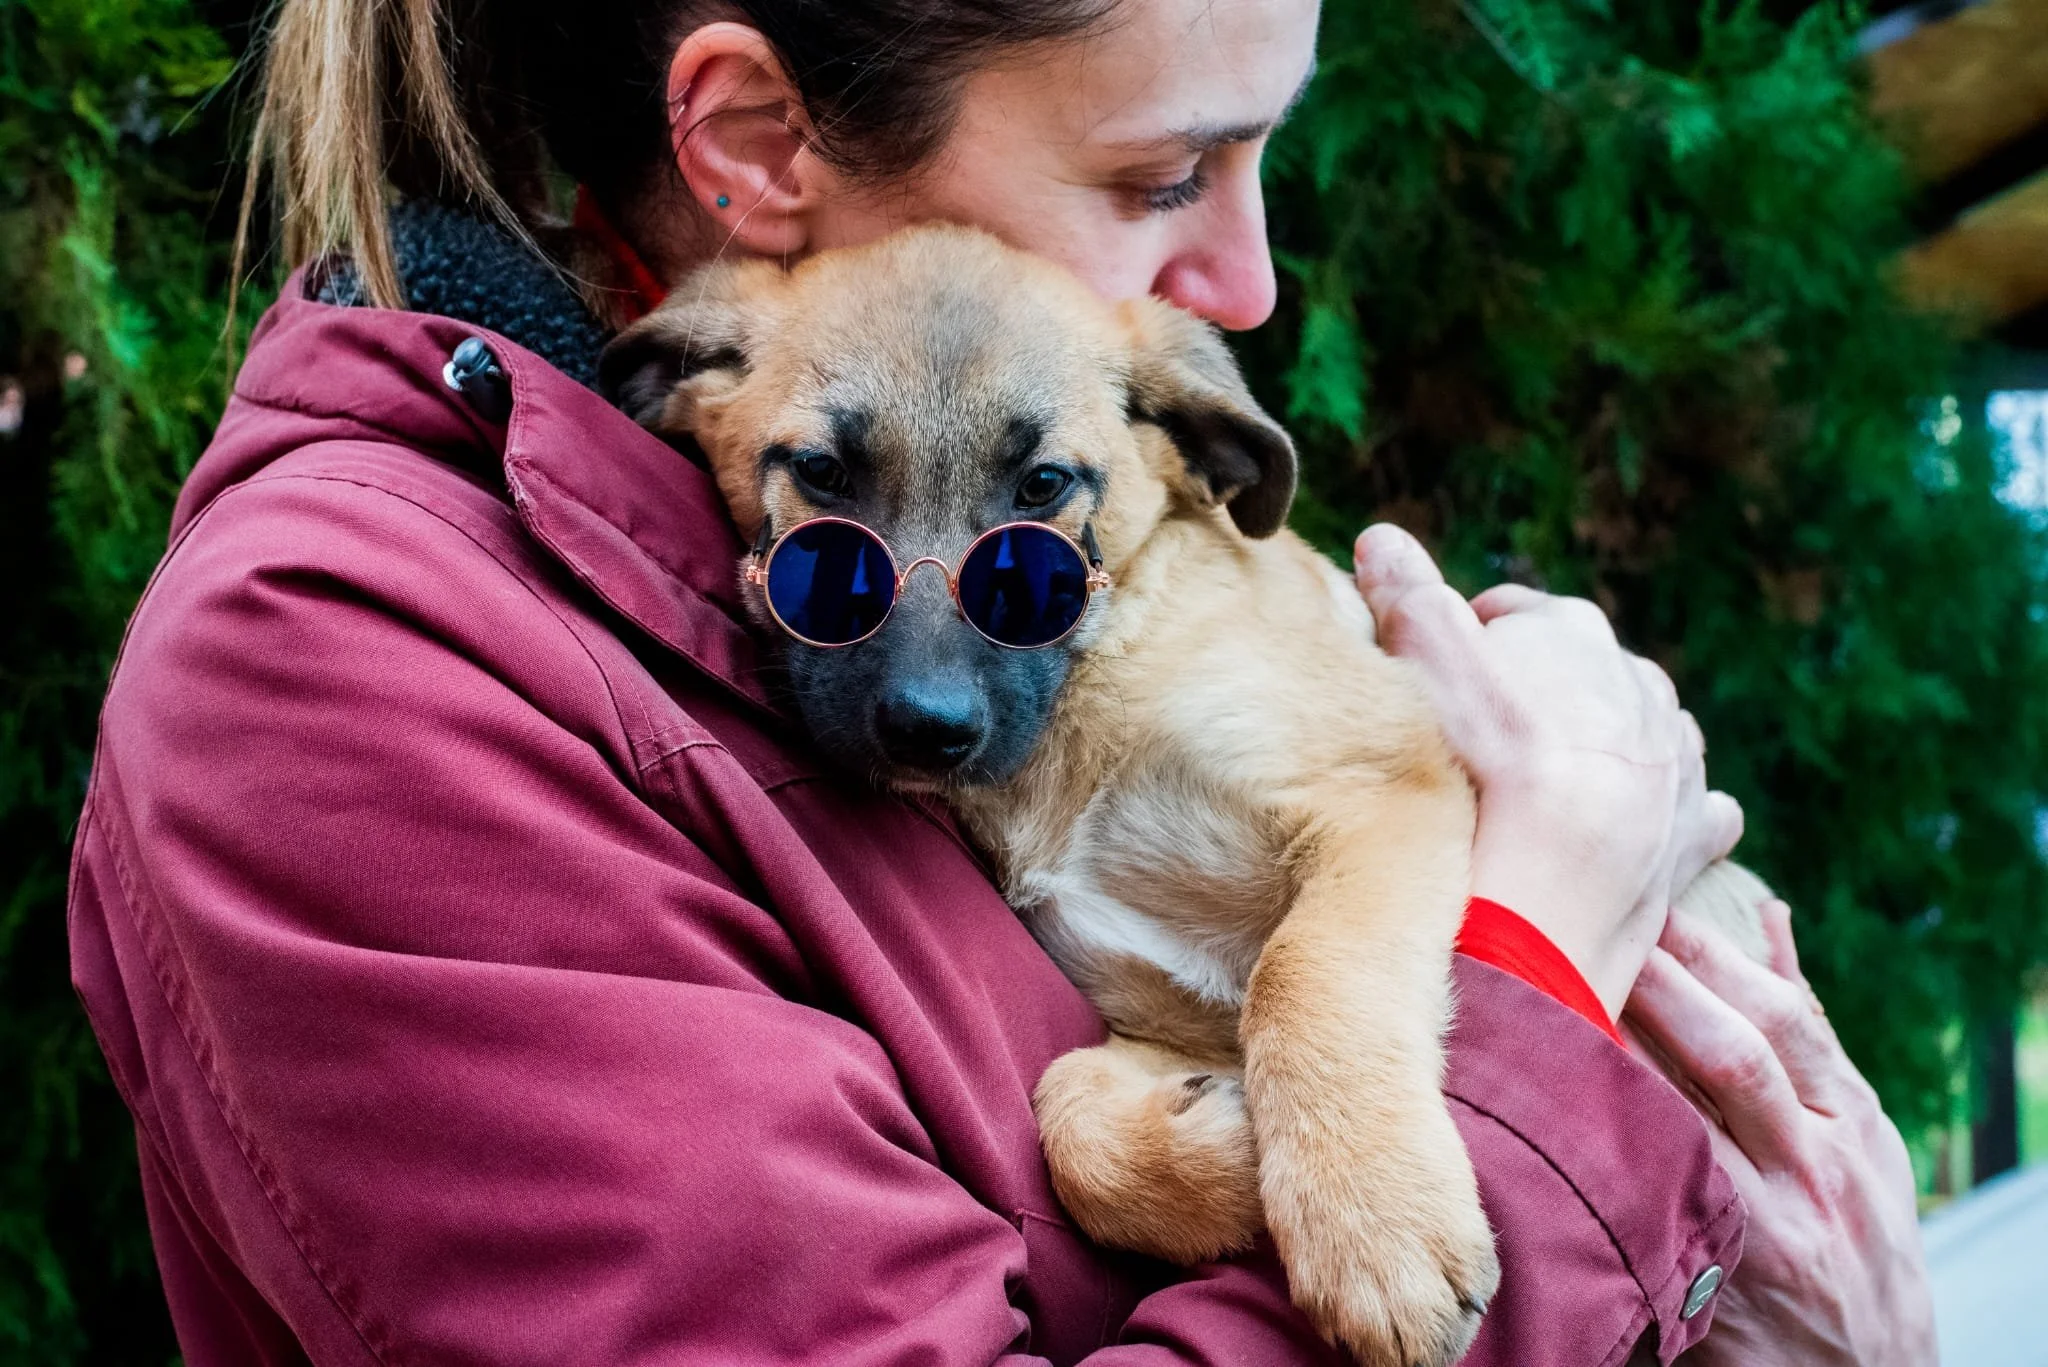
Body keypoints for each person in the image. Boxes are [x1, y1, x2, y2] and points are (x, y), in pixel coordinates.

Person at [65, 0, 1933, 1361]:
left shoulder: (1044, 550)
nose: (1253, 277)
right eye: (1164, 170)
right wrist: (1533, 988)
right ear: (759, 144)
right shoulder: (347, 679)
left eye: (1261, 156)